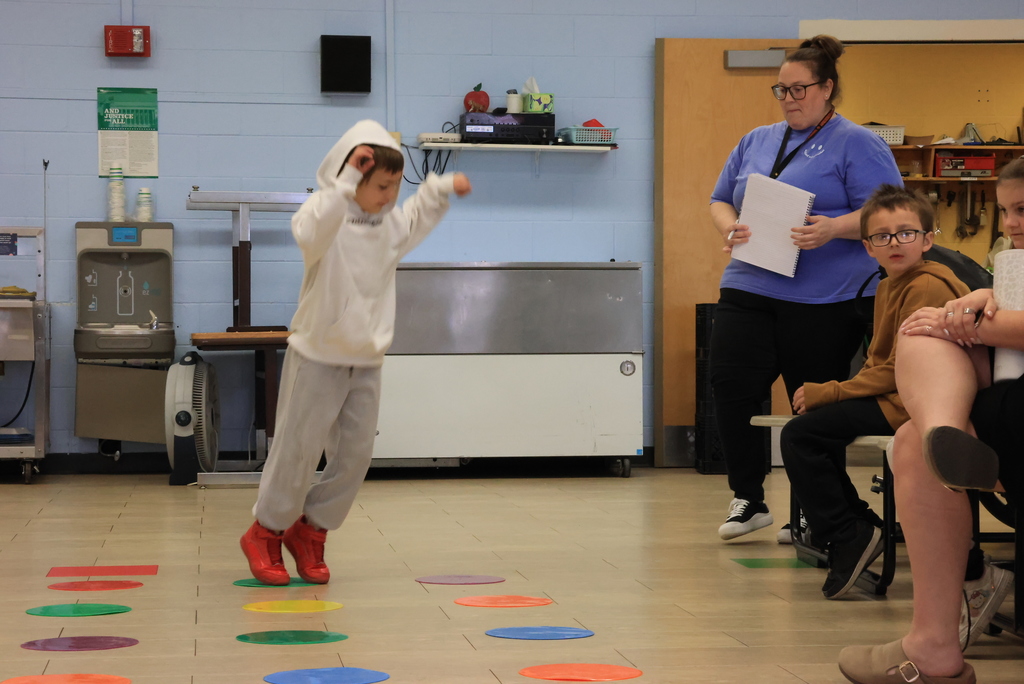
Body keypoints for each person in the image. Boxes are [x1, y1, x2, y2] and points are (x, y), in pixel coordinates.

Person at [239, 120, 472, 585]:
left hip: (366, 360)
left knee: (355, 457)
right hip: (317, 354)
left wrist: (442, 186)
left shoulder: (389, 226)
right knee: (297, 451)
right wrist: (345, 180)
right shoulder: (327, 219)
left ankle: (312, 531)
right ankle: (265, 531)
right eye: (381, 186)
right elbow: (310, 230)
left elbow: (417, 213)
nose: (389, 196)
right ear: (354, 179)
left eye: (394, 186)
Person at [837, 158, 1024, 684]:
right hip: (1000, 400)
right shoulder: (1009, 266)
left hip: (1010, 406)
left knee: (902, 423)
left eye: (1022, 209)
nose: (1011, 223)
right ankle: (945, 435)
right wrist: (983, 301)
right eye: (1005, 210)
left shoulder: (925, 281)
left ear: (927, 238)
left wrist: (976, 324)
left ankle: (934, 647)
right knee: (913, 432)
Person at [709, 34, 903, 541]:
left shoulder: (857, 142)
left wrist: (833, 228)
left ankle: (808, 510)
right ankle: (748, 497)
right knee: (731, 386)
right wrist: (729, 227)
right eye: (782, 89)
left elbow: (888, 212)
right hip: (750, 283)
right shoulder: (756, 139)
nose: (789, 98)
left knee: (811, 401)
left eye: (800, 89)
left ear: (827, 88)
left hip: (824, 298)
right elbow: (719, 199)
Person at [781, 185, 969, 600]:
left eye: (906, 233)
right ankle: (856, 528)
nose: (894, 243)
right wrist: (840, 394)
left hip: (916, 404)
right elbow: (879, 363)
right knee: (808, 431)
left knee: (801, 435)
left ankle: (851, 532)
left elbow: (901, 370)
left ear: (927, 239)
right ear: (868, 247)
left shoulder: (926, 286)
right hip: (899, 396)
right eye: (882, 236)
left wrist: (831, 391)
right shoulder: (889, 285)